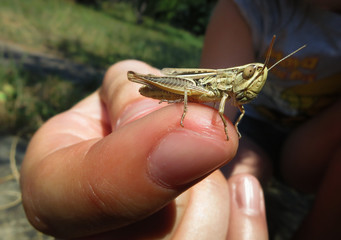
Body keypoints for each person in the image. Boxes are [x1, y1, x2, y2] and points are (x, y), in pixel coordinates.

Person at [21, 0, 340, 240]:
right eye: (251, 73)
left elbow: (237, 106)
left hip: (306, 146)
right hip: (186, 85)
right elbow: (216, 98)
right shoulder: (246, 9)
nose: (255, 79)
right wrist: (190, 114)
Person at [200, 0, 341, 239]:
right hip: (250, 133)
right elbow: (212, 113)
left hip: (316, 146)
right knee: (221, 186)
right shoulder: (248, 8)